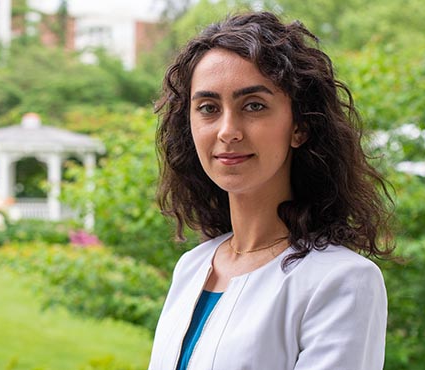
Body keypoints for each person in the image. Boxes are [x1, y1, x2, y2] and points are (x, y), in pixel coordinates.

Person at [148, 11, 395, 370]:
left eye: (254, 106)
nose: (227, 131)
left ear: (300, 127)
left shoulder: (342, 281)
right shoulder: (192, 266)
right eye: (208, 108)